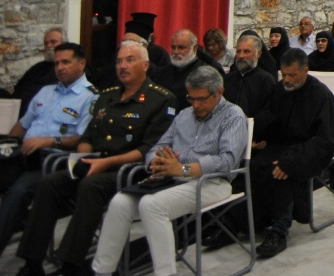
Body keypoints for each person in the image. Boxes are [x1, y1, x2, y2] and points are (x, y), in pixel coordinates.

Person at [15, 40, 176, 276]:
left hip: (130, 171)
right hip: (96, 163)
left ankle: (70, 264)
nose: (122, 66)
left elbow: (148, 149)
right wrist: (82, 156)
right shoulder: (107, 96)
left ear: (145, 65)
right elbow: (88, 136)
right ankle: (32, 262)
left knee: (90, 186)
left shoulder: (161, 99)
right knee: (49, 183)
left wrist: (104, 163)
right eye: (119, 61)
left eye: (130, 60)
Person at [90, 67, 249, 276]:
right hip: (172, 178)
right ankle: (102, 271)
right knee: (120, 202)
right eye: (191, 98)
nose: (195, 105)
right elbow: (157, 147)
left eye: (201, 99)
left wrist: (183, 169)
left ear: (219, 92)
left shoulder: (233, 115)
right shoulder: (184, 115)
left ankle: (165, 273)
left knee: (152, 206)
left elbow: (227, 160)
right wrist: (157, 162)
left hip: (212, 182)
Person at [0, 43, 98, 270]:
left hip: (52, 160)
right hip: (23, 154)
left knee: (19, 190)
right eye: (57, 63)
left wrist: (48, 141)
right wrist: (5, 145)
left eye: (66, 62)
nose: (60, 67)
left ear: (81, 64)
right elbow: (22, 126)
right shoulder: (45, 92)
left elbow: (83, 138)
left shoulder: (90, 98)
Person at [213, 47, 334, 258]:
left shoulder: (321, 95)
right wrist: (262, 137)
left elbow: (325, 141)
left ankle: (279, 230)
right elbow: (270, 117)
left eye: (292, 75)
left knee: (282, 171)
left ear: (305, 71)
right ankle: (238, 223)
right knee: (253, 167)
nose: (287, 80)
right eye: (284, 74)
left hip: (305, 150)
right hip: (279, 145)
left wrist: (293, 162)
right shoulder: (280, 89)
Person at [155, 29, 224, 112]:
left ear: (194, 48)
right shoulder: (160, 73)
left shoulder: (208, 74)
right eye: (173, 47)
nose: (176, 52)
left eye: (181, 48)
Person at [8, 28, 66, 116]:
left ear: (64, 44)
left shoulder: (66, 69)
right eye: (46, 43)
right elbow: (20, 88)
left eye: (53, 42)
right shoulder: (38, 67)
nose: (49, 46)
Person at [223, 34, 275, 118]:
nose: (241, 56)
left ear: (258, 54)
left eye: (246, 51)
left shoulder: (266, 80)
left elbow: (268, 112)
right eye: (238, 51)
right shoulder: (227, 79)